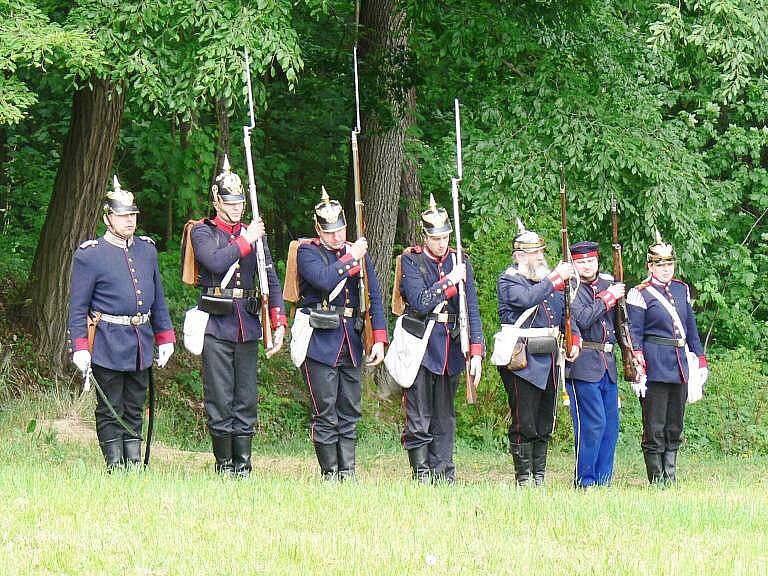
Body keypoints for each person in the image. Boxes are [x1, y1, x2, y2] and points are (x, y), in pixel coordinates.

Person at [68, 176, 175, 471]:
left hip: (140, 340)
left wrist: (165, 337)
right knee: (110, 407)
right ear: (107, 218)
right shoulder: (90, 254)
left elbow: (158, 298)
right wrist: (80, 347)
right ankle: (115, 465)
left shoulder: (146, 250)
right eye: (123, 216)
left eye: (132, 215)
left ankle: (134, 463)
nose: (129, 221)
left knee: (134, 404)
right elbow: (77, 306)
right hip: (106, 341)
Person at [190, 156, 287, 477]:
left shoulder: (251, 233)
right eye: (230, 202)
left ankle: (243, 466)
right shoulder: (203, 232)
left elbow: (269, 278)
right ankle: (224, 464)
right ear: (216, 201)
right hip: (217, 323)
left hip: (246, 323)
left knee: (245, 397)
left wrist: (278, 320)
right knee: (219, 399)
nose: (237, 207)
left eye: (240, 201)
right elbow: (215, 264)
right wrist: (247, 240)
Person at [296, 188, 387, 480]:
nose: (336, 237)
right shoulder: (308, 251)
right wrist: (351, 258)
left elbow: (373, 297)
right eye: (330, 232)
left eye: (340, 230)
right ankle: (330, 473)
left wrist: (380, 338)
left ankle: (347, 472)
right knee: (325, 411)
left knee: (350, 410)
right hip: (320, 340)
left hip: (351, 339)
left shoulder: (355, 252)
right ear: (318, 229)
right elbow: (322, 281)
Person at [396, 195, 484, 483]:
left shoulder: (461, 262)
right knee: (419, 414)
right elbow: (420, 302)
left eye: (445, 237)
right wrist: (448, 282)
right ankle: (421, 473)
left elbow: (471, 308)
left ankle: (444, 471)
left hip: (451, 347)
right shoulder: (411, 261)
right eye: (435, 238)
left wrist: (476, 352)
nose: (441, 243)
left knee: (445, 416)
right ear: (425, 237)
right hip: (421, 343)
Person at [495, 219, 580, 486]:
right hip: (522, 358)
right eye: (534, 252)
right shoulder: (509, 280)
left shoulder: (548, 283)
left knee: (545, 421)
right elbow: (526, 300)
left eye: (541, 251)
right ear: (520, 256)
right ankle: (523, 478)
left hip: (550, 356)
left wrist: (573, 339)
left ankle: (539, 476)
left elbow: (565, 314)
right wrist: (556, 278)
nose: (540, 256)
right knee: (524, 422)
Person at [626, 231, 708, 484]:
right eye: (660, 264)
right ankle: (656, 478)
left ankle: (669, 476)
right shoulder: (639, 293)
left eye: (669, 263)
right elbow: (635, 333)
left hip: (680, 363)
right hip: (655, 362)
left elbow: (691, 328)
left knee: (674, 424)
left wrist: (700, 358)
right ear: (650, 266)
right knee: (655, 425)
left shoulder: (681, 289)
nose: (665, 269)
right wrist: (637, 361)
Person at [564, 241, 625, 488]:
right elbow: (583, 318)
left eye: (590, 260)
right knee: (593, 424)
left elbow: (620, 326)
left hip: (608, 364)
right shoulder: (570, 288)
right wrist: (608, 298)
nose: (587, 265)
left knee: (611, 426)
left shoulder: (608, 284)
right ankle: (585, 480)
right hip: (583, 365)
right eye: (580, 262)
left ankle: (603, 480)